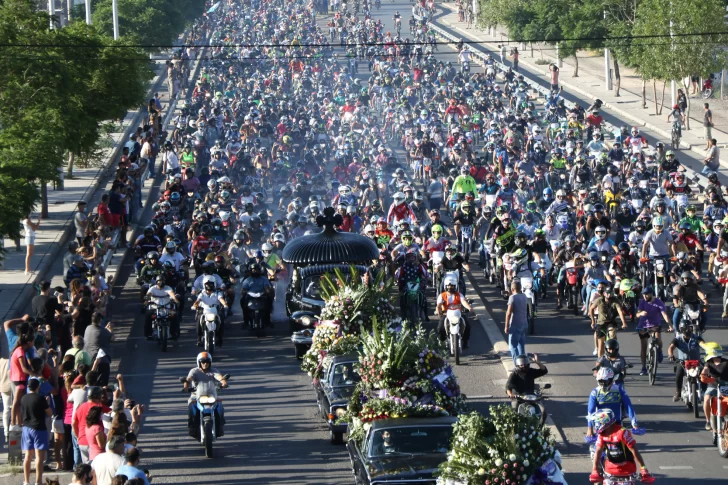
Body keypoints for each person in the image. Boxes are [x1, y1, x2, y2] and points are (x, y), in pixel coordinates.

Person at [588, 408, 654, 483]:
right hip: (609, 470)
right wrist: (594, 470)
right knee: (592, 450)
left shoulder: (622, 432)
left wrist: (643, 469)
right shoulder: (601, 435)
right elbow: (598, 451)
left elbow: (634, 450)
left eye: (598, 422)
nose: (597, 424)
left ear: (605, 421)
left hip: (627, 470)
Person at [183, 352, 227, 439]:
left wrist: (223, 382)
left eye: (207, 362)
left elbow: (219, 377)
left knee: (219, 406)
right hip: (197, 396)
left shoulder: (214, 371)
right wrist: (186, 386)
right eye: (203, 362)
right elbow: (189, 378)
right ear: (199, 362)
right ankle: (192, 428)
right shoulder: (194, 371)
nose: (205, 364)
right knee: (192, 407)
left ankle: (220, 426)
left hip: (211, 395)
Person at [587, 368, 638, 438]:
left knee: (628, 445)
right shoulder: (594, 393)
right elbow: (591, 411)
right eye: (601, 381)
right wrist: (590, 429)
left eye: (606, 381)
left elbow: (628, 406)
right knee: (598, 447)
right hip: (600, 425)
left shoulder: (619, 390)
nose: (604, 384)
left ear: (611, 380)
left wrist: (634, 424)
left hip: (617, 424)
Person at [21, 378, 53, 485]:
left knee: (28, 456)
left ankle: (26, 481)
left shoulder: (24, 398)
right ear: (38, 387)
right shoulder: (40, 398)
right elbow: (49, 413)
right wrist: (47, 402)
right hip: (39, 428)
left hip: (26, 428)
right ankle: (38, 481)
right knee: (39, 456)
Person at [636, 286, 672, 375]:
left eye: (647, 295)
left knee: (658, 339)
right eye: (644, 295)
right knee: (643, 347)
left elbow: (664, 315)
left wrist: (670, 326)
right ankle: (643, 367)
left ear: (651, 294)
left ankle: (659, 350)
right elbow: (637, 315)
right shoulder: (642, 302)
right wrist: (641, 313)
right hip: (643, 326)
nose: (645, 297)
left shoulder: (658, 302)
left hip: (655, 325)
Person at [73, 386, 111, 464]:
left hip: (82, 441)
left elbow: (73, 423)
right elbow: (113, 412)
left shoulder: (81, 407)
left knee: (87, 468)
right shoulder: (98, 407)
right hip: (94, 442)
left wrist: (78, 436)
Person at [668, 321, 704, 402]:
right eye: (688, 328)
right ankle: (678, 392)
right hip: (683, 362)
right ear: (683, 329)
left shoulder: (696, 337)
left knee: (704, 373)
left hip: (696, 362)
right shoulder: (677, 339)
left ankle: (704, 391)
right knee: (678, 373)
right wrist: (671, 355)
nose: (690, 330)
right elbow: (671, 348)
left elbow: (703, 344)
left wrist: (708, 350)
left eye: (691, 328)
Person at [588, 283, 626, 358]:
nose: (609, 295)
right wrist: (592, 321)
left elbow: (620, 311)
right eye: (607, 293)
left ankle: (613, 357)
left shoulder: (615, 300)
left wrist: (624, 323)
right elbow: (591, 308)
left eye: (610, 293)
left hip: (611, 322)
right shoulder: (599, 300)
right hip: (601, 323)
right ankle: (600, 362)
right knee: (601, 344)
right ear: (604, 293)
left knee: (612, 336)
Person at [700, 342, 728, 443]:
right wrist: (704, 374)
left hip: (725, 386)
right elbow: (705, 369)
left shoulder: (726, 362)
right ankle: (708, 421)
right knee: (706, 399)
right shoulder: (708, 363)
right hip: (713, 387)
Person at [435, 276, 472, 348]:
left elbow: (464, 302)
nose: (450, 287)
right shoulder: (442, 295)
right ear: (445, 286)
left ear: (455, 286)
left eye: (452, 286)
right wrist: (438, 311)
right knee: (440, 328)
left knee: (467, 326)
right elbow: (438, 305)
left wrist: (469, 307)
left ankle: (465, 341)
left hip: (458, 314)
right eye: (449, 286)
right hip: (446, 314)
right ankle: (441, 341)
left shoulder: (459, 295)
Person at [144, 275, 180, 340]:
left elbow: (172, 295)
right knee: (148, 316)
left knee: (174, 315)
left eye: (162, 281)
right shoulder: (152, 288)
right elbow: (148, 295)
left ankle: (174, 333)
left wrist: (176, 300)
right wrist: (146, 301)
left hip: (167, 308)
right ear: (156, 282)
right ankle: (148, 334)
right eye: (159, 281)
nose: (161, 283)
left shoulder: (168, 288)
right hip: (154, 308)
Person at [84, 313, 114, 386]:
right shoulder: (103, 331)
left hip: (88, 359)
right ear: (100, 320)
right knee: (102, 384)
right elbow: (112, 338)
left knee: (91, 382)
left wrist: (105, 330)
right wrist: (110, 331)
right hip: (101, 361)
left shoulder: (88, 328)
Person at [504, 280, 528, 363]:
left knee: (512, 346)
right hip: (524, 324)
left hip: (515, 325)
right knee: (521, 346)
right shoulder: (524, 296)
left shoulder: (512, 298)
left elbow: (508, 313)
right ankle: (524, 364)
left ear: (512, 288)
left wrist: (506, 326)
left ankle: (517, 365)